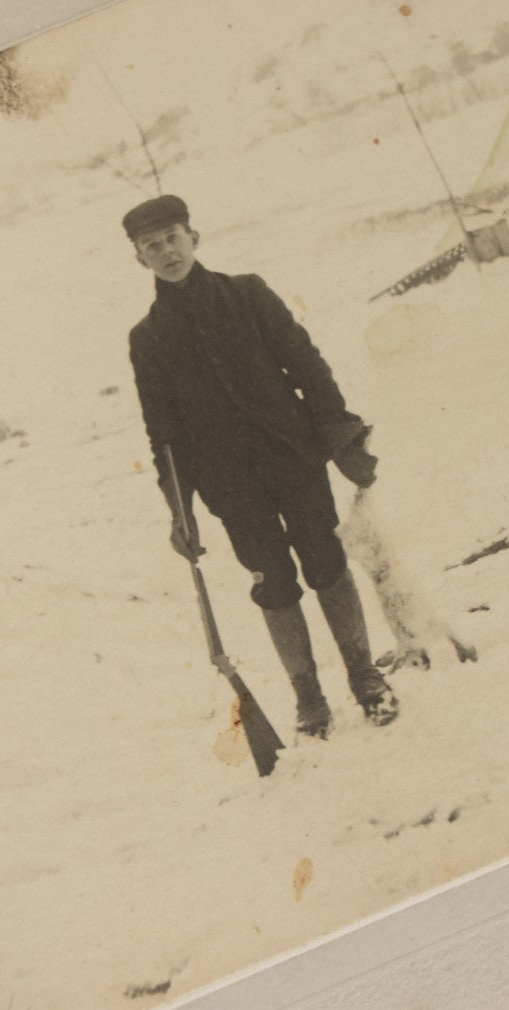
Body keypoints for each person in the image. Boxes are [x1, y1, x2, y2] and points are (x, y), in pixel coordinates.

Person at [123, 194, 396, 738]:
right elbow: (164, 434)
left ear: (194, 239)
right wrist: (181, 511)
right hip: (230, 486)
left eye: (173, 238)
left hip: (294, 460)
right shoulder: (147, 338)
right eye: (151, 246)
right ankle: (309, 698)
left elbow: (306, 365)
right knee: (272, 584)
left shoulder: (248, 294)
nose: (166, 252)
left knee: (327, 562)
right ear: (140, 260)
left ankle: (364, 676)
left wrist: (342, 436)